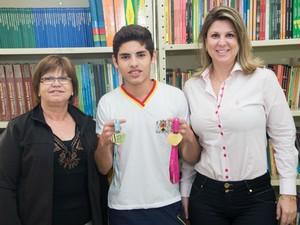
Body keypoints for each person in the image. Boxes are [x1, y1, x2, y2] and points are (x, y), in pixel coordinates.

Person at [180, 6, 298, 225]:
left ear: (240, 40)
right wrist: (185, 191)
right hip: (205, 195)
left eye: (230, 35)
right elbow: (190, 144)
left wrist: (288, 193)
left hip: (255, 197)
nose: (222, 42)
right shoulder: (191, 87)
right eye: (215, 35)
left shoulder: (264, 80)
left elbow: (283, 136)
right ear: (205, 41)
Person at [95, 24, 196, 225]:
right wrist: (104, 144)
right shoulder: (107, 102)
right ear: (115, 61)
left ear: (153, 56)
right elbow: (102, 167)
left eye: (141, 55)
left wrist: (190, 137)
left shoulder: (175, 97)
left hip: (167, 201)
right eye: (125, 57)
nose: (134, 63)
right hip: (123, 206)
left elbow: (191, 157)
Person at [0, 55, 108, 225]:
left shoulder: (88, 125)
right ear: (37, 89)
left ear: (73, 89)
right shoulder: (19, 129)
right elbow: (4, 185)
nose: (56, 83)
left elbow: (100, 181)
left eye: (64, 78)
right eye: (48, 78)